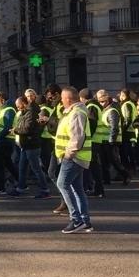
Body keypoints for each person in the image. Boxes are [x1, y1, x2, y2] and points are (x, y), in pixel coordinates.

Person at [55, 87, 93, 234]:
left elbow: (77, 137)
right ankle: (85, 221)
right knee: (77, 189)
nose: (61, 101)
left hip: (74, 157)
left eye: (63, 98)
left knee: (62, 184)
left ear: (69, 99)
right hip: (77, 156)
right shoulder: (74, 112)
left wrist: (68, 154)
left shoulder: (76, 113)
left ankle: (76, 219)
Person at [12, 94, 49, 198]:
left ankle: (44, 189)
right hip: (26, 144)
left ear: (23, 103)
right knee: (22, 167)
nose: (18, 108)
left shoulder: (31, 112)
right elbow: (22, 125)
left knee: (36, 168)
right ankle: (21, 187)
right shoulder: (25, 112)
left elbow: (28, 129)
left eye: (18, 106)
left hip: (32, 144)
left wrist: (16, 130)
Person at [0, 93, 18, 194]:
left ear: (2, 100)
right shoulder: (5, 110)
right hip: (4, 140)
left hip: (4, 141)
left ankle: (1, 187)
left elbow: (7, 127)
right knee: (8, 163)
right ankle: (21, 183)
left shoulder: (8, 110)